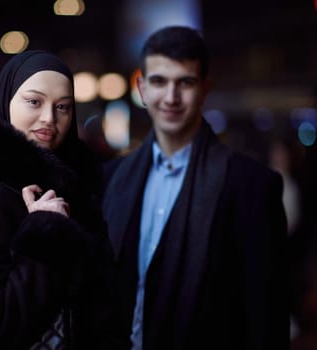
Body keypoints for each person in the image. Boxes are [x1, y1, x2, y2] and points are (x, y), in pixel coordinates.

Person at [102, 26, 289, 350]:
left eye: (185, 82)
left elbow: (266, 317)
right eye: (159, 82)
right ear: (142, 89)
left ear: (205, 89)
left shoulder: (253, 187)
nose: (171, 97)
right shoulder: (113, 177)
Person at [0, 50, 125, 349]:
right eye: (34, 101)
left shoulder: (76, 185)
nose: (49, 118)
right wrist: (45, 232)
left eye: (63, 107)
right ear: (6, 103)